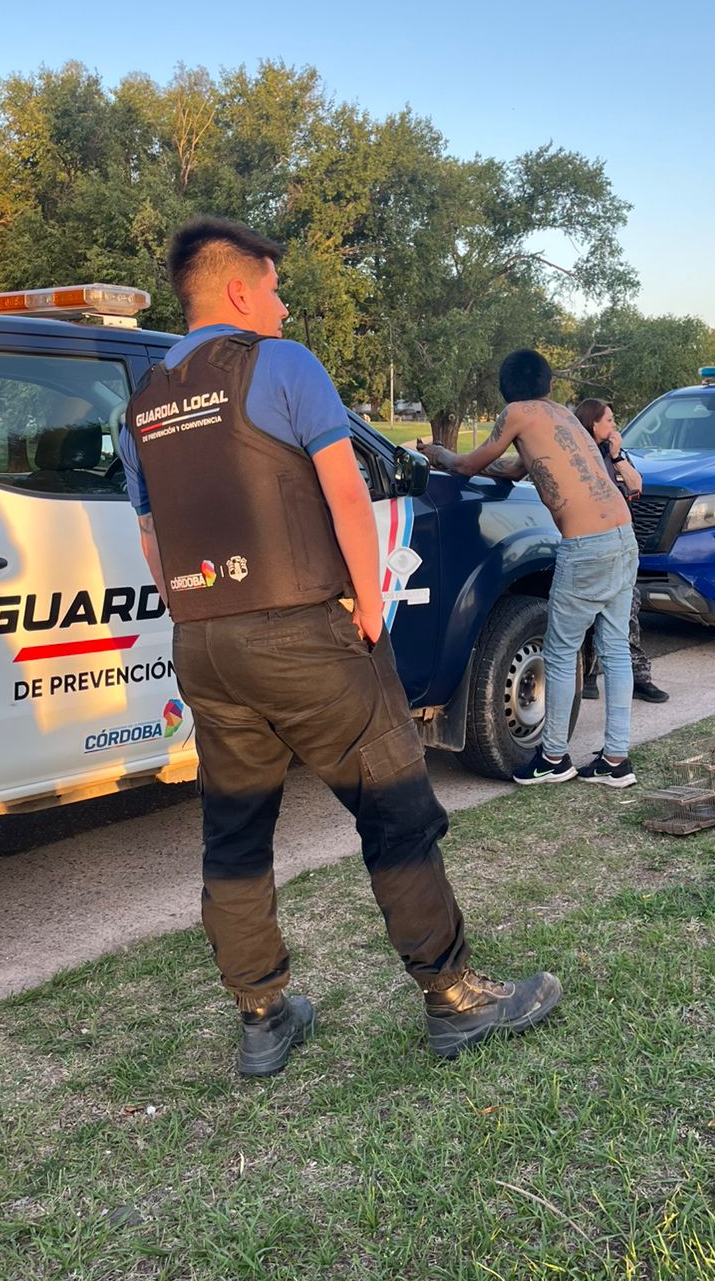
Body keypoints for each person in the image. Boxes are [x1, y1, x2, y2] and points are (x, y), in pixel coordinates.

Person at [118, 218, 561, 1076]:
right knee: (396, 809)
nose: (282, 306)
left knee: (235, 831)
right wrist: (369, 605)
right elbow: (348, 495)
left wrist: (199, 612)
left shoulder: (141, 403)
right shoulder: (283, 365)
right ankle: (455, 997)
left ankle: (262, 1018)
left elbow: (151, 538)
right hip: (303, 634)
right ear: (240, 290)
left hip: (204, 643)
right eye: (275, 288)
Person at [419, 351, 640, 787]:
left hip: (586, 545)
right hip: (622, 536)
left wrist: (439, 454)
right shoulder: (563, 416)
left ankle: (553, 757)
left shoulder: (516, 413)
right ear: (549, 384)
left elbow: (468, 466)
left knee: (559, 651)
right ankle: (616, 760)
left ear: (505, 388)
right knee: (615, 650)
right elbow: (517, 467)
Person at [573, 399, 668, 705]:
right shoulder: (578, 455)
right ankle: (588, 675)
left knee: (628, 610)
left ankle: (639, 677)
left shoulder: (611, 455)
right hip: (591, 543)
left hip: (622, 546)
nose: (614, 426)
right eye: (609, 420)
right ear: (593, 423)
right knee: (588, 612)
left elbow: (636, 485)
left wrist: (616, 456)